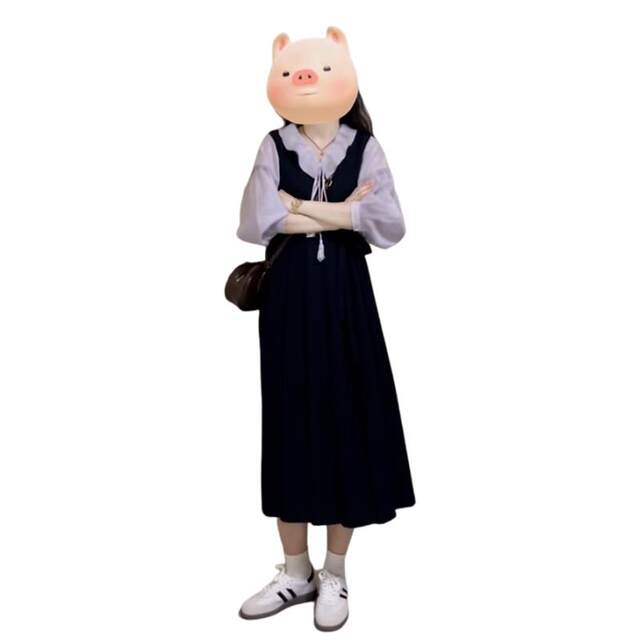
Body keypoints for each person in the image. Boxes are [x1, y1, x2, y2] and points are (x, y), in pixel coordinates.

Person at [235, 26, 416, 632]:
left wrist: (300, 206)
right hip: (288, 303)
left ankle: (334, 572)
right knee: (289, 418)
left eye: (317, 69)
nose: (304, 78)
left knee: (348, 419)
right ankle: (295, 571)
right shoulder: (272, 145)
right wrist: (345, 212)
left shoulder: (366, 147)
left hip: (347, 300)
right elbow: (257, 220)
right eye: (290, 71)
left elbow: (388, 225)